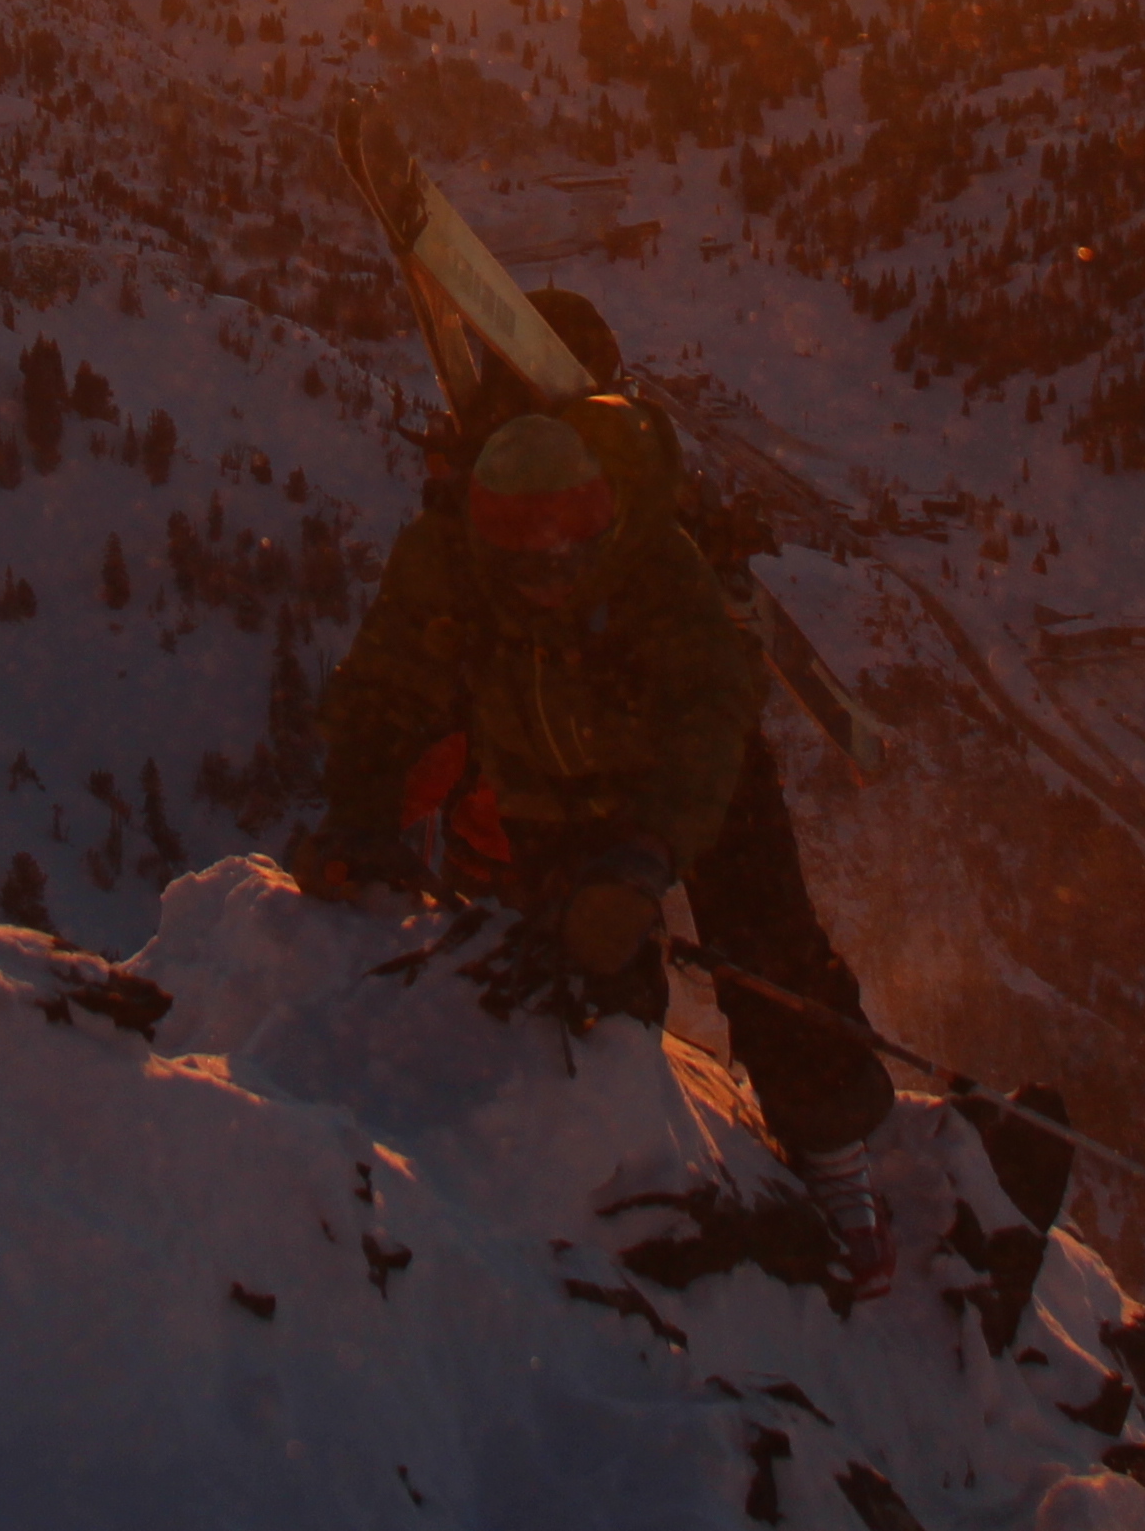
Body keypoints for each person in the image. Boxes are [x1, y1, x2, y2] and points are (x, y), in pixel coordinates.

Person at [288, 292, 903, 1295]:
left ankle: (837, 1162)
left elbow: (712, 710)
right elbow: (389, 688)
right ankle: (620, 1173)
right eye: (517, 529)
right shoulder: (452, 552)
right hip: (550, 793)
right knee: (582, 985)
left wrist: (650, 849)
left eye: (566, 525)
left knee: (767, 950)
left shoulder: (657, 551)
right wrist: (361, 811)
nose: (542, 560)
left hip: (678, 779)